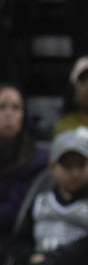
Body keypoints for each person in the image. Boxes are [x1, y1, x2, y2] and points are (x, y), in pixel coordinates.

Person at [9, 132, 88, 265]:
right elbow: (20, 241)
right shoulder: (40, 201)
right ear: (52, 167)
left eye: (81, 164)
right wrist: (30, 257)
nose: (75, 172)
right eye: (67, 165)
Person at [0, 84, 47, 239]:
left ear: (24, 115)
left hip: (19, 239)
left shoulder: (39, 160)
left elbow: (21, 210)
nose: (8, 114)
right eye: (2, 107)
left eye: (15, 108)